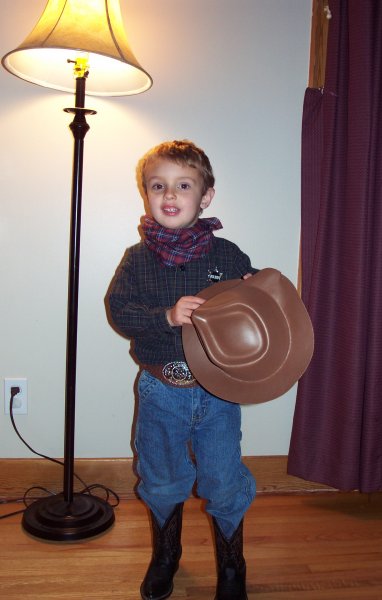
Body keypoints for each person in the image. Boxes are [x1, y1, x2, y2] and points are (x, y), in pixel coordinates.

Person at [107, 140, 257, 600]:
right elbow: (118, 311)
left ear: (205, 196)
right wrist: (166, 316)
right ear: (146, 194)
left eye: (183, 185)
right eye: (158, 186)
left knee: (224, 480)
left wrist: (257, 291)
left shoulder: (228, 255)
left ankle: (232, 567)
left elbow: (256, 308)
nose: (169, 195)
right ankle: (166, 555)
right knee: (161, 477)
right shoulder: (137, 259)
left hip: (218, 396)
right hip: (160, 391)